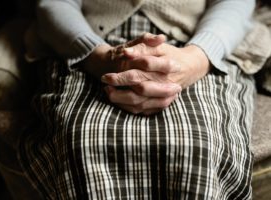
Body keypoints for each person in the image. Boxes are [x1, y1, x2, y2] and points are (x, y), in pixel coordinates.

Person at [18, 0, 256, 199]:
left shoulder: (199, 51)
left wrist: (195, 59)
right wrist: (100, 57)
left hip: (199, 44)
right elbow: (55, 4)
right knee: (83, 140)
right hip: (87, 44)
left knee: (196, 143)